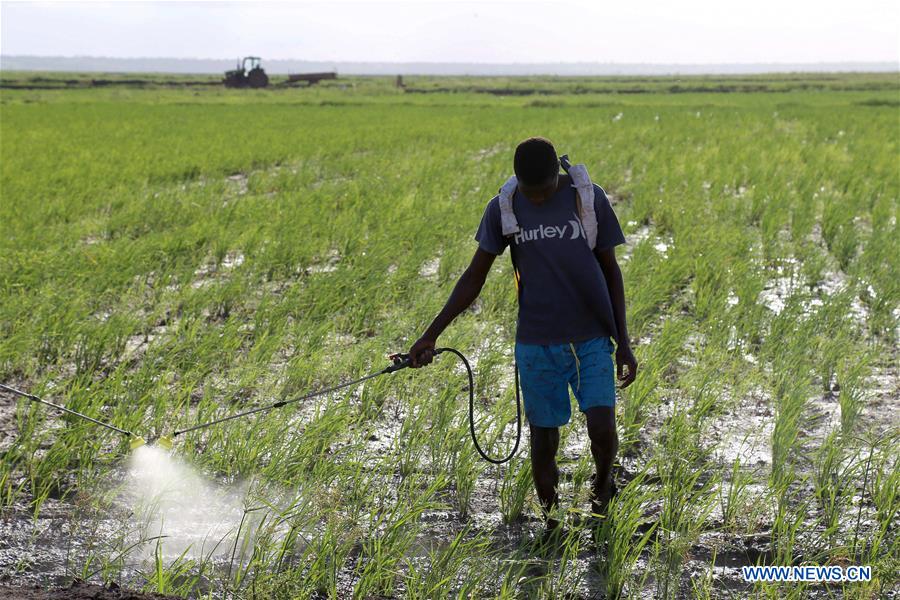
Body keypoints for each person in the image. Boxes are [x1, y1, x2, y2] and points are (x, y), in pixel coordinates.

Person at [407, 136, 637, 537]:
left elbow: (610, 271)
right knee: (543, 439)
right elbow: (474, 277)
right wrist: (430, 335)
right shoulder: (504, 207)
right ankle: (552, 522)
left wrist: (625, 341)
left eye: (544, 191)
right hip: (537, 342)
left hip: (591, 337)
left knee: (602, 428)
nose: (535, 199)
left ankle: (602, 488)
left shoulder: (587, 198)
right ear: (516, 181)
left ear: (557, 177)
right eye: (528, 192)